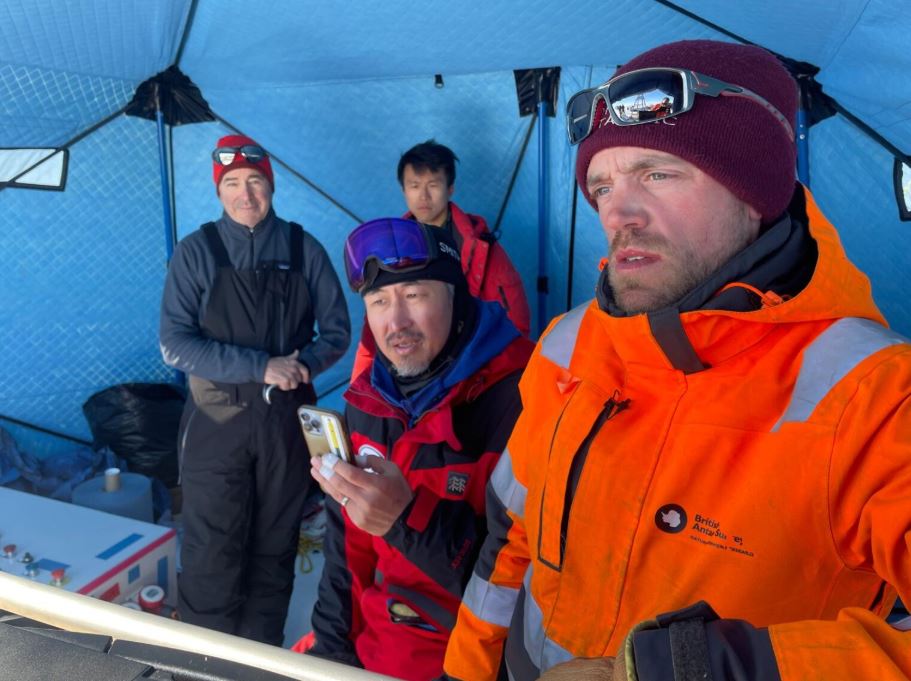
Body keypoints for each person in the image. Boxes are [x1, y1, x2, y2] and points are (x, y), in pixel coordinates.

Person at [443, 40, 911, 680]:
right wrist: (466, 670)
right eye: (601, 185)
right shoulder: (567, 343)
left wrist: (693, 669)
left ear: (756, 192)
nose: (617, 213)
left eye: (657, 173)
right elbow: (510, 535)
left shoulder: (877, 395)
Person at [306, 218, 533, 679]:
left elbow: (528, 589)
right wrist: (328, 657)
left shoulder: (524, 401)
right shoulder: (369, 400)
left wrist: (406, 518)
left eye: (414, 295)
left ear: (455, 296)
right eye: (379, 301)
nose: (396, 323)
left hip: (474, 658)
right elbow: (346, 556)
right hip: (376, 646)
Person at [159, 134, 351, 645]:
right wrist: (260, 366)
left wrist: (302, 366)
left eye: (255, 182)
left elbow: (337, 333)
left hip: (284, 425)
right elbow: (175, 343)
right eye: (232, 183)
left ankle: (259, 660)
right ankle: (200, 666)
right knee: (211, 550)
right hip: (215, 422)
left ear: (271, 185)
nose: (245, 194)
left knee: (274, 547)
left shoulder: (303, 249)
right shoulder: (196, 252)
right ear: (218, 190)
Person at [349, 141, 530, 380]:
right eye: (414, 186)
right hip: (411, 374)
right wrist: (359, 390)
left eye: (433, 185)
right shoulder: (386, 253)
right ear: (404, 190)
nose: (423, 196)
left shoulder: (481, 247)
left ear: (450, 188)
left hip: (472, 374)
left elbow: (515, 324)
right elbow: (373, 334)